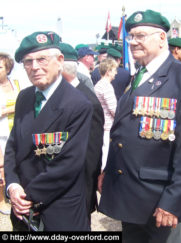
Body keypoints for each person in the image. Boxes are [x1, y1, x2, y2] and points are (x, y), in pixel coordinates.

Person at [98, 9, 181, 243]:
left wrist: (173, 201)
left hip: (160, 199)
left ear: (161, 38)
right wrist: (108, 170)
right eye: (130, 37)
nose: (133, 42)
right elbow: (123, 131)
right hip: (130, 193)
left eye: (141, 36)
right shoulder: (136, 76)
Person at [4, 31, 93, 231]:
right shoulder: (25, 97)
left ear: (60, 61)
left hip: (58, 209)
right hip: (22, 209)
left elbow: (68, 164)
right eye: (28, 62)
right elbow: (13, 147)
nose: (34, 67)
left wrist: (28, 197)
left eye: (42, 59)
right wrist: (12, 186)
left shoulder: (77, 104)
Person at [59, 42, 104, 223]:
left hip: (76, 191)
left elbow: (91, 156)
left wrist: (85, 196)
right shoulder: (62, 95)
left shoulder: (87, 101)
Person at [0, 52, 20, 215]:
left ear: (7, 68)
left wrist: (5, 110)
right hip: (1, 133)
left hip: (16, 130)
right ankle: (1, 200)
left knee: (16, 162)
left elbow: (23, 103)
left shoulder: (16, 84)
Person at [94, 58, 118, 171]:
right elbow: (114, 109)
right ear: (108, 71)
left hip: (103, 124)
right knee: (105, 154)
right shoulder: (106, 86)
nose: (116, 73)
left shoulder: (100, 84)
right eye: (114, 70)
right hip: (107, 126)